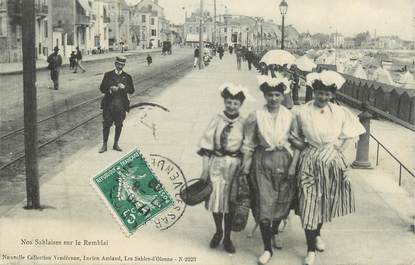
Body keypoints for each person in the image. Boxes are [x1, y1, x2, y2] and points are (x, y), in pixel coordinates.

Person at [294, 71, 366, 265]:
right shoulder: (302, 111)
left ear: (332, 94)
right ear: (314, 91)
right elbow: (296, 137)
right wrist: (303, 148)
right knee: (308, 202)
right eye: (319, 92)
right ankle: (310, 249)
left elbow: (352, 134)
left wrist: (340, 152)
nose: (322, 97)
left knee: (324, 200)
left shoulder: (339, 112)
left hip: (331, 160)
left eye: (327, 94)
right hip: (309, 160)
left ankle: (317, 234)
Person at [241, 75, 300, 265]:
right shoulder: (255, 116)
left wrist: (293, 166)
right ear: (264, 96)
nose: (273, 99)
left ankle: (275, 233)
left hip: (283, 160)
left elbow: (297, 142)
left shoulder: (290, 116)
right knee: (264, 203)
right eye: (269, 95)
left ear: (282, 96)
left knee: (281, 201)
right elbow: (249, 142)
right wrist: (246, 164)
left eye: (276, 95)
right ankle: (267, 249)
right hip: (262, 161)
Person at [198, 84, 253, 254]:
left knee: (230, 202)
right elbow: (206, 144)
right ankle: (218, 231)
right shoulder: (217, 119)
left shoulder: (244, 123)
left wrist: (245, 165)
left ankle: (228, 236)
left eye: (235, 103)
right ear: (224, 102)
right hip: (216, 164)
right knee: (216, 199)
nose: (231, 106)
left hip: (234, 167)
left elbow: (247, 145)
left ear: (240, 105)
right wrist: (205, 169)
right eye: (229, 102)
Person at [98, 56, 135, 153]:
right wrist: (110, 88)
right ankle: (104, 145)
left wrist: (125, 87)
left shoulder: (127, 77)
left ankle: (116, 144)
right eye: (118, 64)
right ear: (115, 64)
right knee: (106, 125)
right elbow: (102, 88)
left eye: (122, 65)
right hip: (109, 105)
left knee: (119, 125)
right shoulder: (108, 75)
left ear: (124, 65)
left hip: (121, 106)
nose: (120, 66)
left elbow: (132, 90)